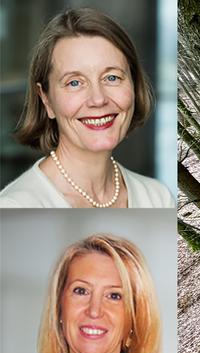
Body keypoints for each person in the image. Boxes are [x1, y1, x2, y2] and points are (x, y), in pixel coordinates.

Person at [0, 8, 174, 208]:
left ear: (134, 86)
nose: (98, 99)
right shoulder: (15, 207)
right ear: (46, 100)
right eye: (74, 82)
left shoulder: (158, 198)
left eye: (112, 77)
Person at [3, 234, 177, 353]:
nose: (94, 311)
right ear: (59, 307)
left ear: (134, 318)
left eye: (114, 295)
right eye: (81, 291)